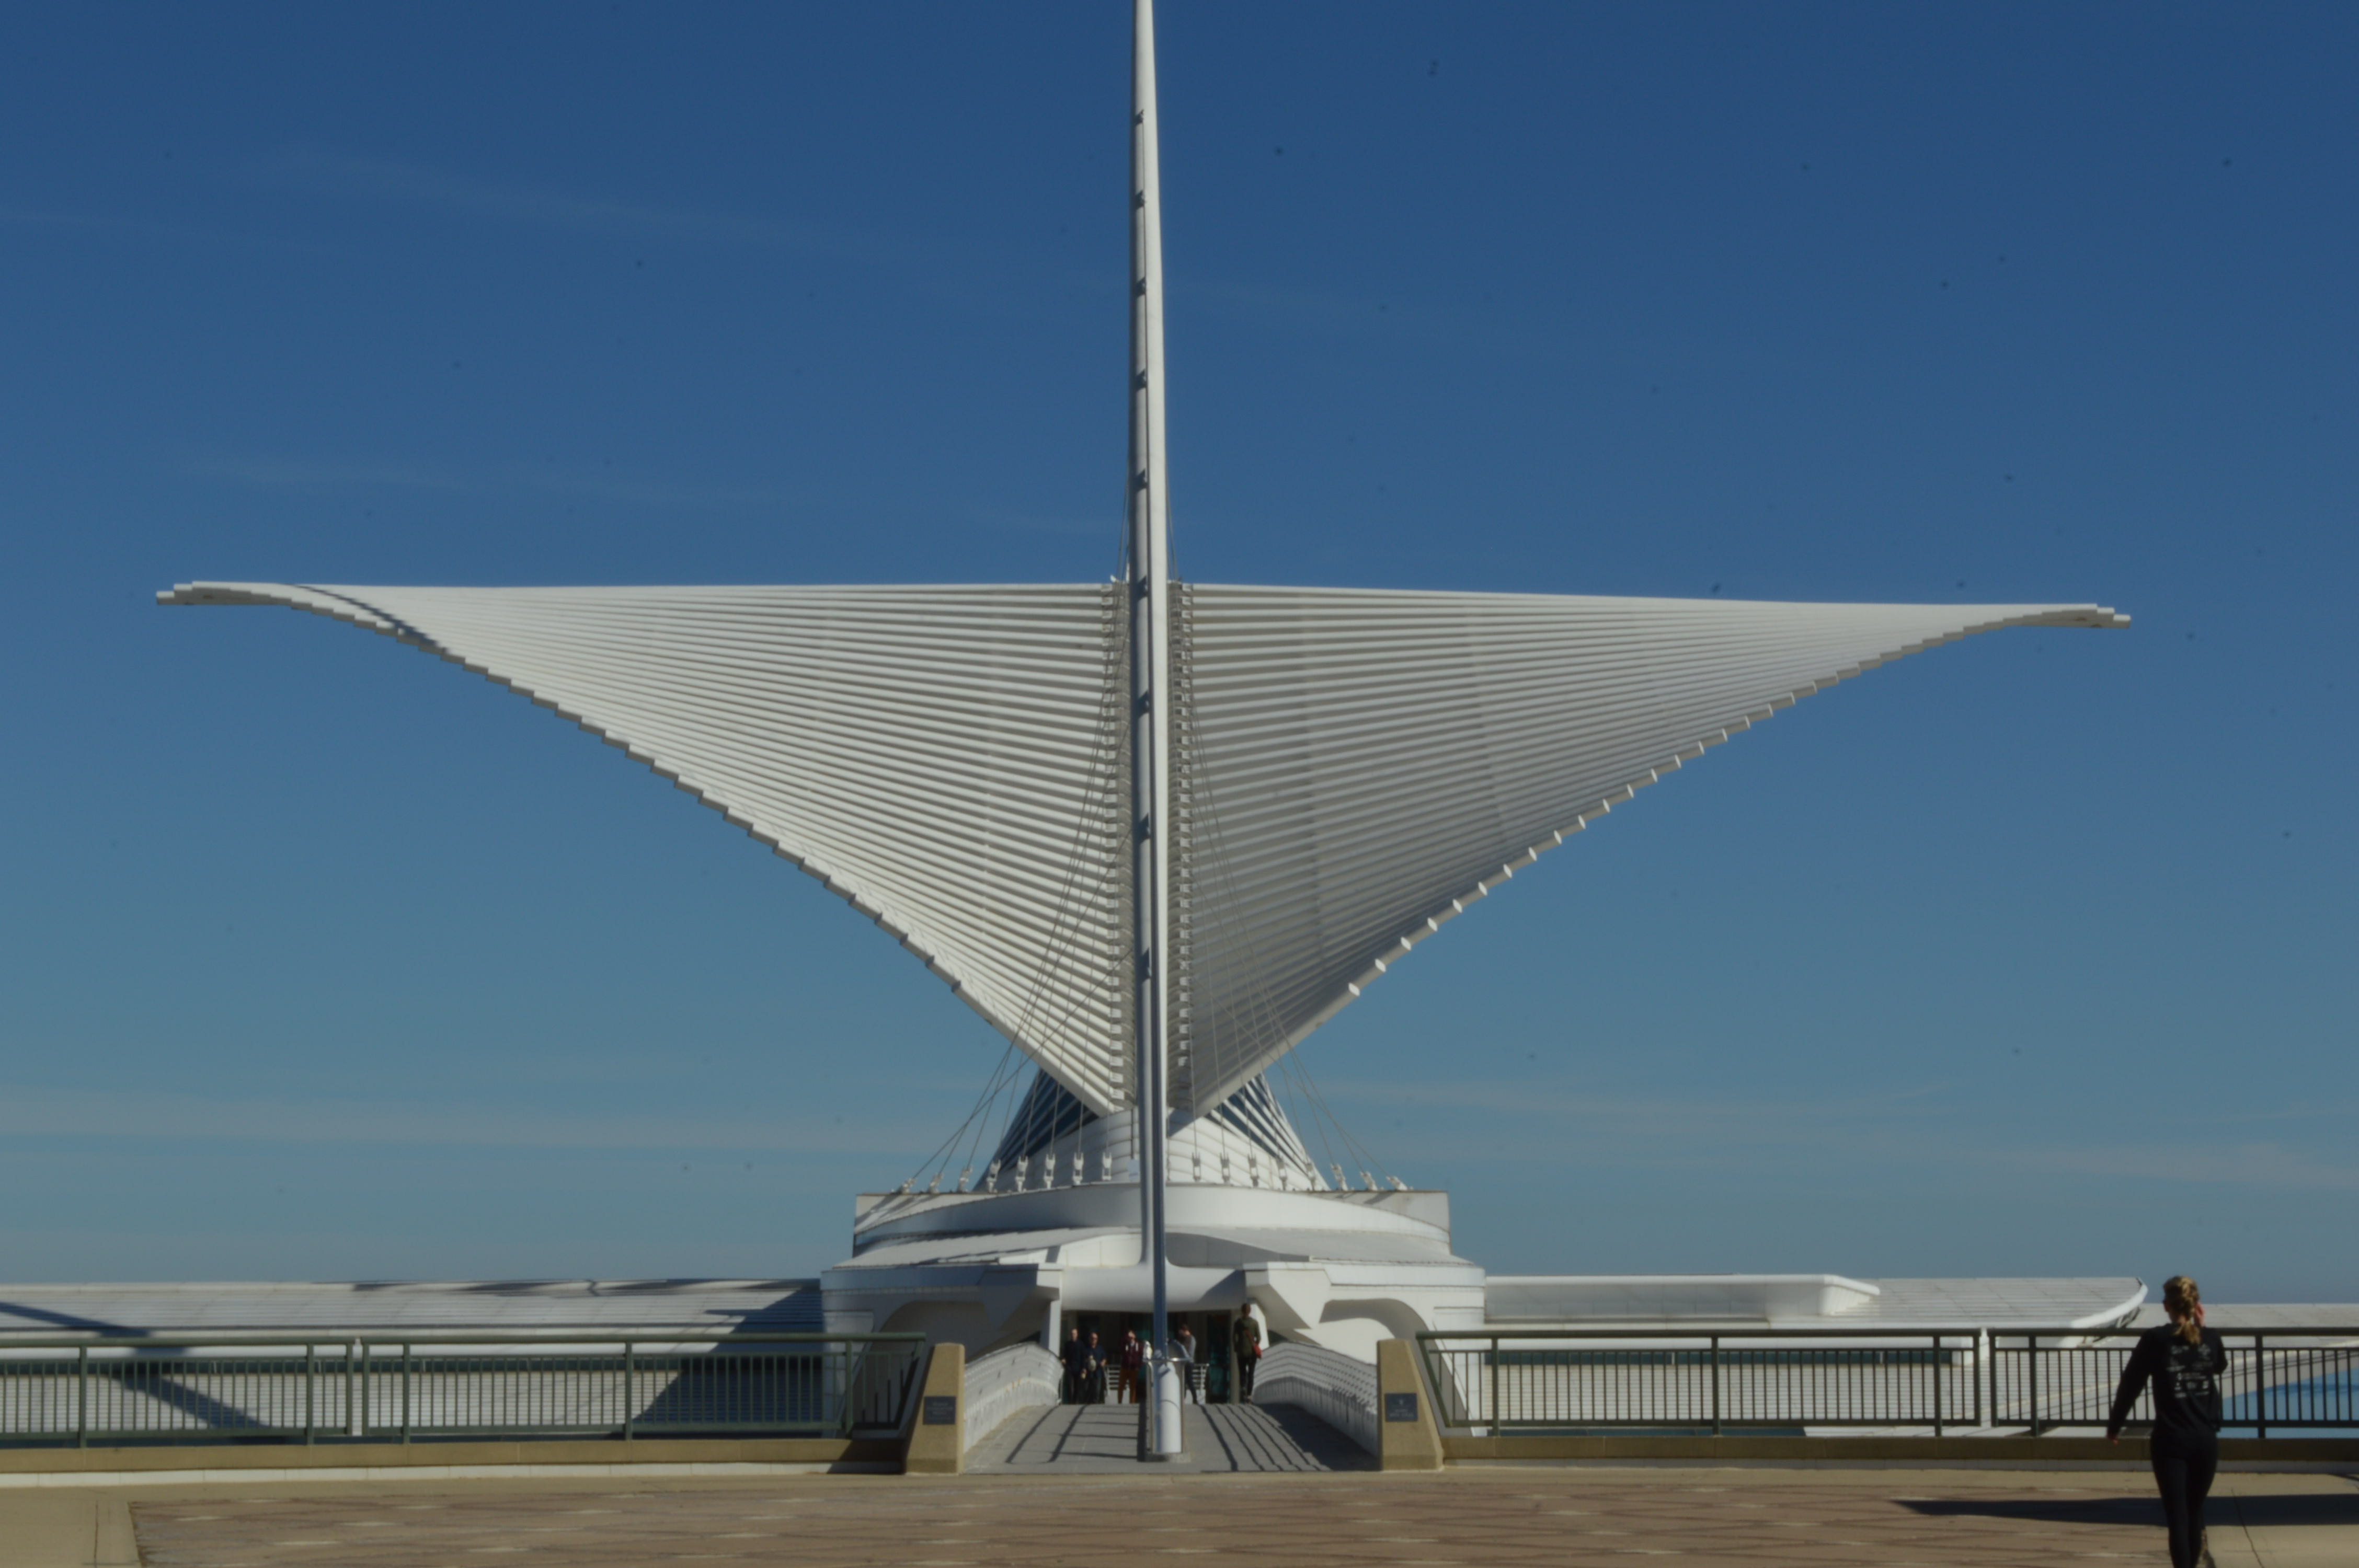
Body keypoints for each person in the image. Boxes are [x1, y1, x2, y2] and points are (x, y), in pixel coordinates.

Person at [2108, 1276, 2227, 1568]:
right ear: (2196, 1305)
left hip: (2171, 1441)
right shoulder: (2209, 1338)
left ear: (2166, 1306)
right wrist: (2201, 1327)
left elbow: (2131, 1384)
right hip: (2205, 1441)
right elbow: (2220, 1365)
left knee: (2178, 1517)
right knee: (2195, 1512)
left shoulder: (2155, 1340)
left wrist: (2115, 1424)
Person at [1232, 1310, 1263, 1402]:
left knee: (1242, 1372)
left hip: (1241, 1352)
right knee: (1251, 1373)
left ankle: (1243, 1387)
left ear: (1242, 1311)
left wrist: (1236, 1347)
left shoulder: (1238, 1323)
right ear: (1250, 1311)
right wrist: (1255, 1345)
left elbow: (1234, 1337)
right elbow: (1259, 1337)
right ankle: (1249, 1395)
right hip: (1252, 1353)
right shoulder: (1255, 1323)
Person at [1173, 1324, 1201, 1403]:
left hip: (1188, 1362)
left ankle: (1193, 1398)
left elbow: (1185, 1350)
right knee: (1186, 1381)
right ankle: (1187, 1398)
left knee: (1188, 1381)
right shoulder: (1191, 1338)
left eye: (1181, 1332)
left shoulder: (1188, 1339)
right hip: (1190, 1362)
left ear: (1184, 1331)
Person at [1060, 1325, 1086, 1404]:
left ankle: (1076, 1402)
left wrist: (1084, 1368)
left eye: (1075, 1334)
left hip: (1078, 1368)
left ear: (1077, 1335)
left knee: (1077, 1387)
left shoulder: (1081, 1345)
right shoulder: (1067, 1344)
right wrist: (1064, 1359)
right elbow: (1064, 1355)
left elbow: (1083, 1357)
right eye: (1072, 1334)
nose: (1073, 1335)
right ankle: (1071, 1402)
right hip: (1070, 1368)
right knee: (1070, 1386)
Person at [1118, 1329, 1144, 1404]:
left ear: (1135, 1336)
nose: (1130, 1337)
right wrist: (1126, 1338)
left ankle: (1132, 1402)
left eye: (1131, 1335)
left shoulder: (1138, 1346)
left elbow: (1142, 1356)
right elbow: (1120, 1344)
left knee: (1133, 1387)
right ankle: (1119, 1402)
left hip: (1134, 1369)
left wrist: (1138, 1366)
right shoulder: (1125, 1345)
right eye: (1129, 1336)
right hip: (1125, 1368)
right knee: (1121, 1386)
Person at [1084, 1331, 1108, 1403]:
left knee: (1097, 1390)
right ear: (1089, 1339)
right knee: (1087, 1390)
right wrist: (1084, 1368)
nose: (1094, 1340)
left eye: (1095, 1338)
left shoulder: (1100, 1348)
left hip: (1098, 1372)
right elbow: (1083, 1360)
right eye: (1092, 1338)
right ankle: (1086, 1404)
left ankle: (1096, 1404)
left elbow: (1104, 1358)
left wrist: (1103, 1362)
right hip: (1088, 1373)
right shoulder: (1086, 1349)